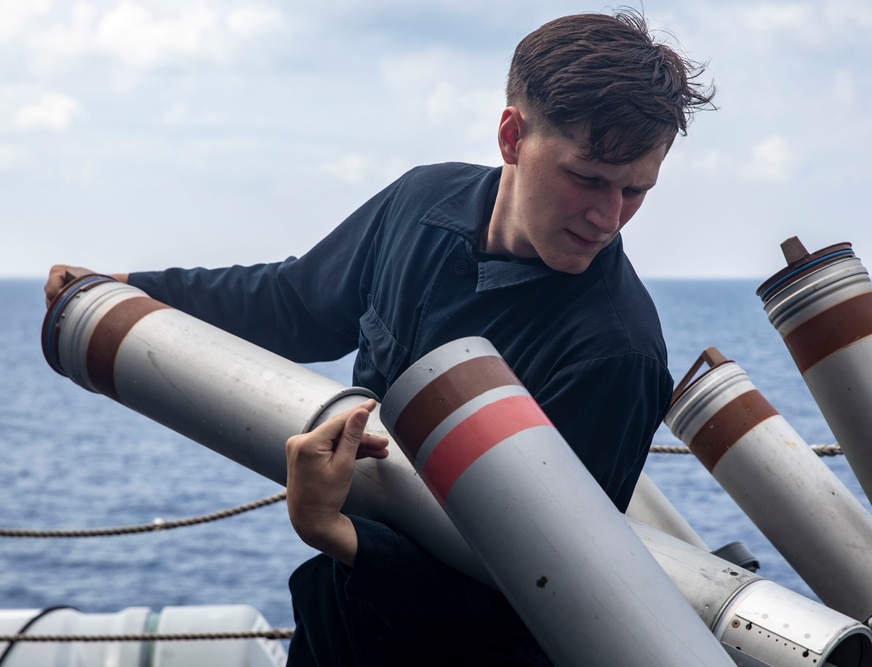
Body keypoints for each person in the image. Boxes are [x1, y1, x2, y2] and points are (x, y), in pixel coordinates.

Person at [45, 8, 713, 665]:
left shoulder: (616, 352)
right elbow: (295, 304)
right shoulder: (419, 203)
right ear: (513, 136)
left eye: (636, 191)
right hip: (339, 627)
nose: (608, 217)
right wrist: (125, 285)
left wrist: (333, 530)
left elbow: (548, 593)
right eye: (588, 179)